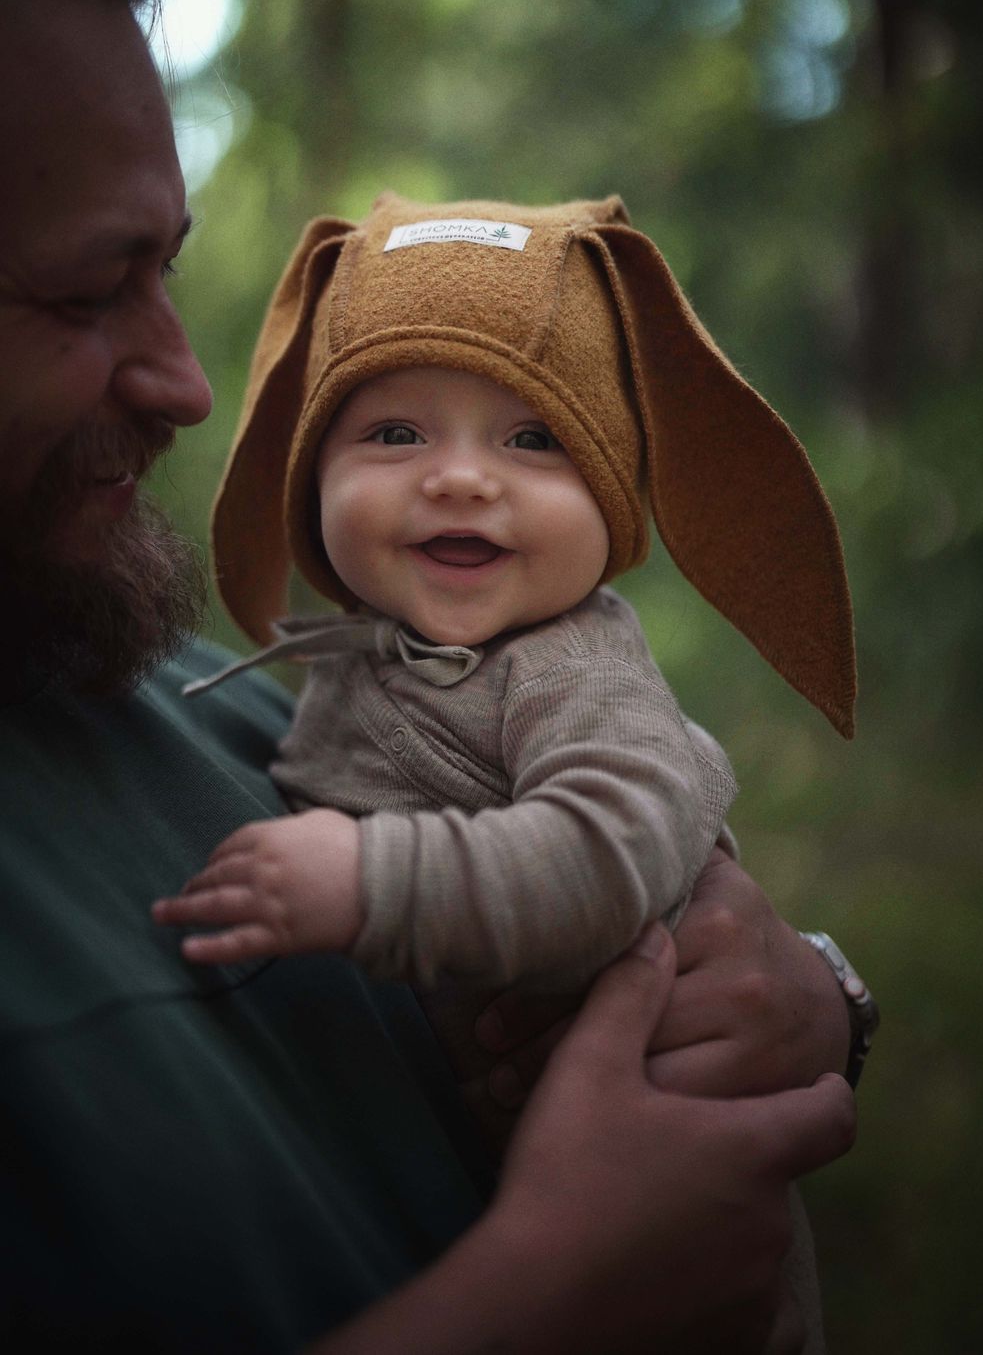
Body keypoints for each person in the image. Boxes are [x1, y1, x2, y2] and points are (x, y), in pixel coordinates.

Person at [0, 0, 862, 1351]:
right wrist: (549, 1296)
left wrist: (811, 1001)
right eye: (86, 294)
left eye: (534, 442)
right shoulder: (323, 680)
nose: (190, 388)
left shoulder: (196, 693)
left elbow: (616, 846)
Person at [152, 192, 856, 1004]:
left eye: (533, 440)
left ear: (612, 493)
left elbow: (616, 848)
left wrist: (370, 885)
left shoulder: (572, 670)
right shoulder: (371, 651)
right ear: (312, 479)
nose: (460, 479)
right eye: (396, 434)